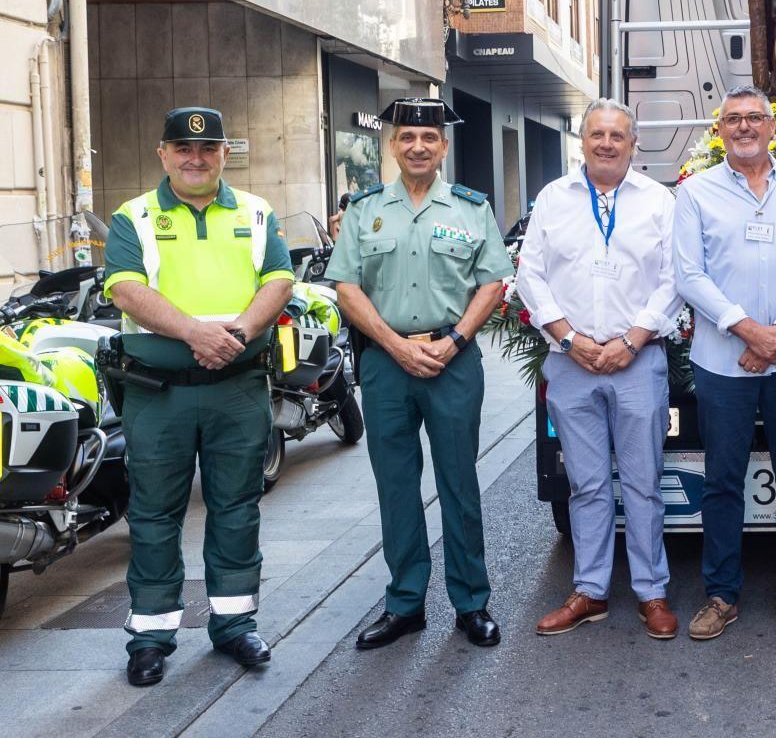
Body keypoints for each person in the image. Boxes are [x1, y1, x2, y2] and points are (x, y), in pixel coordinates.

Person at [102, 107, 295, 687]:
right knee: (155, 514)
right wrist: (194, 332)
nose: (196, 157)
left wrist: (233, 335)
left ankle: (235, 625)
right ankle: (151, 636)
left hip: (236, 389)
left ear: (223, 155)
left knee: (237, 508)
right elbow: (125, 287)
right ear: (163, 153)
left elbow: (279, 279)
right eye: (184, 149)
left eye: (208, 148)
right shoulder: (132, 216)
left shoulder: (257, 212)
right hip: (158, 395)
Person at [325, 98, 513, 651]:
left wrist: (454, 341)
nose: (418, 147)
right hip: (386, 365)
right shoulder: (364, 211)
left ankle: (471, 602)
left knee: (460, 483)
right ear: (393, 145)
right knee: (396, 486)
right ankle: (405, 604)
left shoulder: (471, 208)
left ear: (443, 147)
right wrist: (393, 345)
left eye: (428, 138)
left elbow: (492, 284)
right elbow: (347, 288)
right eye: (407, 137)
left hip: (453, 362)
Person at [515, 99, 684, 639]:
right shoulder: (553, 199)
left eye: (617, 135)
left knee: (642, 483)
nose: (606, 143)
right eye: (596, 134)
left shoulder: (659, 201)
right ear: (582, 141)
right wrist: (569, 338)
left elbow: (675, 277)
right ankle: (590, 592)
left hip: (638, 363)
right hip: (572, 365)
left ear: (633, 144)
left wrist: (633, 340)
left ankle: (651, 592)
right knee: (585, 485)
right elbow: (530, 275)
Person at [673, 85, 776, 641]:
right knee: (722, 480)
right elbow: (689, 275)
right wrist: (747, 329)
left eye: (754, 119)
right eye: (733, 119)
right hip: (723, 362)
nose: (744, 127)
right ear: (720, 129)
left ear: (773, 127)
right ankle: (721, 595)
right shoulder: (695, 193)